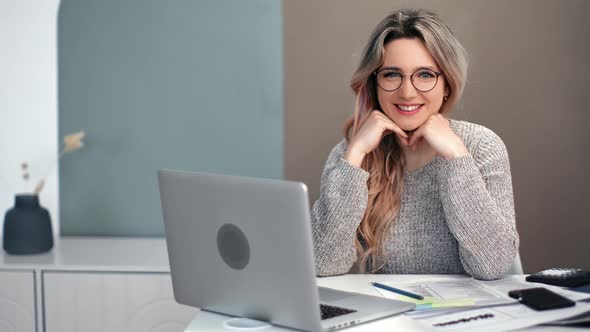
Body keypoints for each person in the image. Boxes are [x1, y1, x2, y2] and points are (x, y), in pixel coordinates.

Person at [310, 8, 519, 280]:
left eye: (425, 74)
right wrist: (356, 155)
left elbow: (492, 265)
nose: (407, 92)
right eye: (392, 75)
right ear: (374, 82)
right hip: (390, 317)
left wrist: (455, 157)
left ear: (447, 84)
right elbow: (322, 264)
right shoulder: (350, 154)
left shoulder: (480, 146)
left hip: (464, 318)